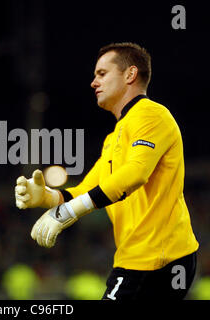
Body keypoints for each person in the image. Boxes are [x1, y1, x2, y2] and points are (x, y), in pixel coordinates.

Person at [15, 42, 199, 300]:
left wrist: (68, 211)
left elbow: (135, 174)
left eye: (102, 74)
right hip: (137, 259)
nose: (93, 82)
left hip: (160, 259)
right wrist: (48, 197)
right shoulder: (113, 139)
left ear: (130, 74)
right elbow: (85, 190)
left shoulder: (151, 115)